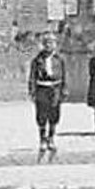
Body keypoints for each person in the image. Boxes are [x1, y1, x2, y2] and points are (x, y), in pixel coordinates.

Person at [27, 31, 66, 160]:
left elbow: (64, 75)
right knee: (42, 114)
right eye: (47, 43)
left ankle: (51, 138)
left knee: (54, 114)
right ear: (43, 45)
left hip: (55, 88)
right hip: (42, 88)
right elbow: (32, 76)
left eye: (52, 43)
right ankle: (42, 139)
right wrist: (32, 91)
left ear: (55, 45)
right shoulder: (37, 60)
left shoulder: (59, 59)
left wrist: (64, 90)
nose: (49, 45)